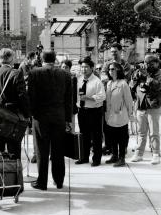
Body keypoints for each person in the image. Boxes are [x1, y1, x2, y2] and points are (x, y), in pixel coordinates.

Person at [28, 51, 72, 190]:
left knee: (41, 150)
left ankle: (42, 182)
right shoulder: (65, 74)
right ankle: (59, 181)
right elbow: (69, 99)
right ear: (55, 60)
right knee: (58, 150)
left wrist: (31, 115)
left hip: (41, 117)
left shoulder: (34, 73)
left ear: (42, 59)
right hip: (59, 116)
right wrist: (68, 119)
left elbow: (31, 97)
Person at [0, 48, 30, 160]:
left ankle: (0, 176)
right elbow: (22, 96)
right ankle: (13, 176)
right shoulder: (16, 73)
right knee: (13, 153)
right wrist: (27, 115)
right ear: (11, 58)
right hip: (12, 120)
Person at [130, 55, 161, 165]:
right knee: (141, 132)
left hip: (154, 106)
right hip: (141, 105)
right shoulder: (141, 72)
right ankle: (139, 153)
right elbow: (132, 86)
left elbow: (158, 87)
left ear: (157, 63)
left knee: (154, 132)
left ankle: (156, 154)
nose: (149, 65)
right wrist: (137, 74)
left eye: (151, 63)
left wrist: (147, 76)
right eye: (147, 63)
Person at [75, 56, 106, 166]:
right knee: (84, 135)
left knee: (96, 136)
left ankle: (96, 159)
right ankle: (84, 157)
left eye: (86, 67)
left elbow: (102, 96)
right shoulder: (79, 80)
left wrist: (89, 98)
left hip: (94, 112)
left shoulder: (97, 81)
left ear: (92, 68)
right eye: (82, 67)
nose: (84, 69)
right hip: (82, 111)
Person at [104, 62, 133, 167]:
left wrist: (130, 114)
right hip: (110, 115)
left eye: (113, 69)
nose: (111, 71)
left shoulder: (123, 84)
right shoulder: (109, 83)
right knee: (112, 137)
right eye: (110, 69)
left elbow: (129, 101)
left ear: (118, 70)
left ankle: (122, 158)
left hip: (121, 115)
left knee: (121, 138)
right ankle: (114, 155)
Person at [61, 59, 78, 129]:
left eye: (66, 67)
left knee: (71, 128)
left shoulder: (73, 78)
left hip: (70, 107)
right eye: (63, 67)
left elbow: (74, 94)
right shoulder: (58, 78)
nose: (64, 69)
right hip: (61, 107)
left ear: (69, 68)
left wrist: (74, 108)